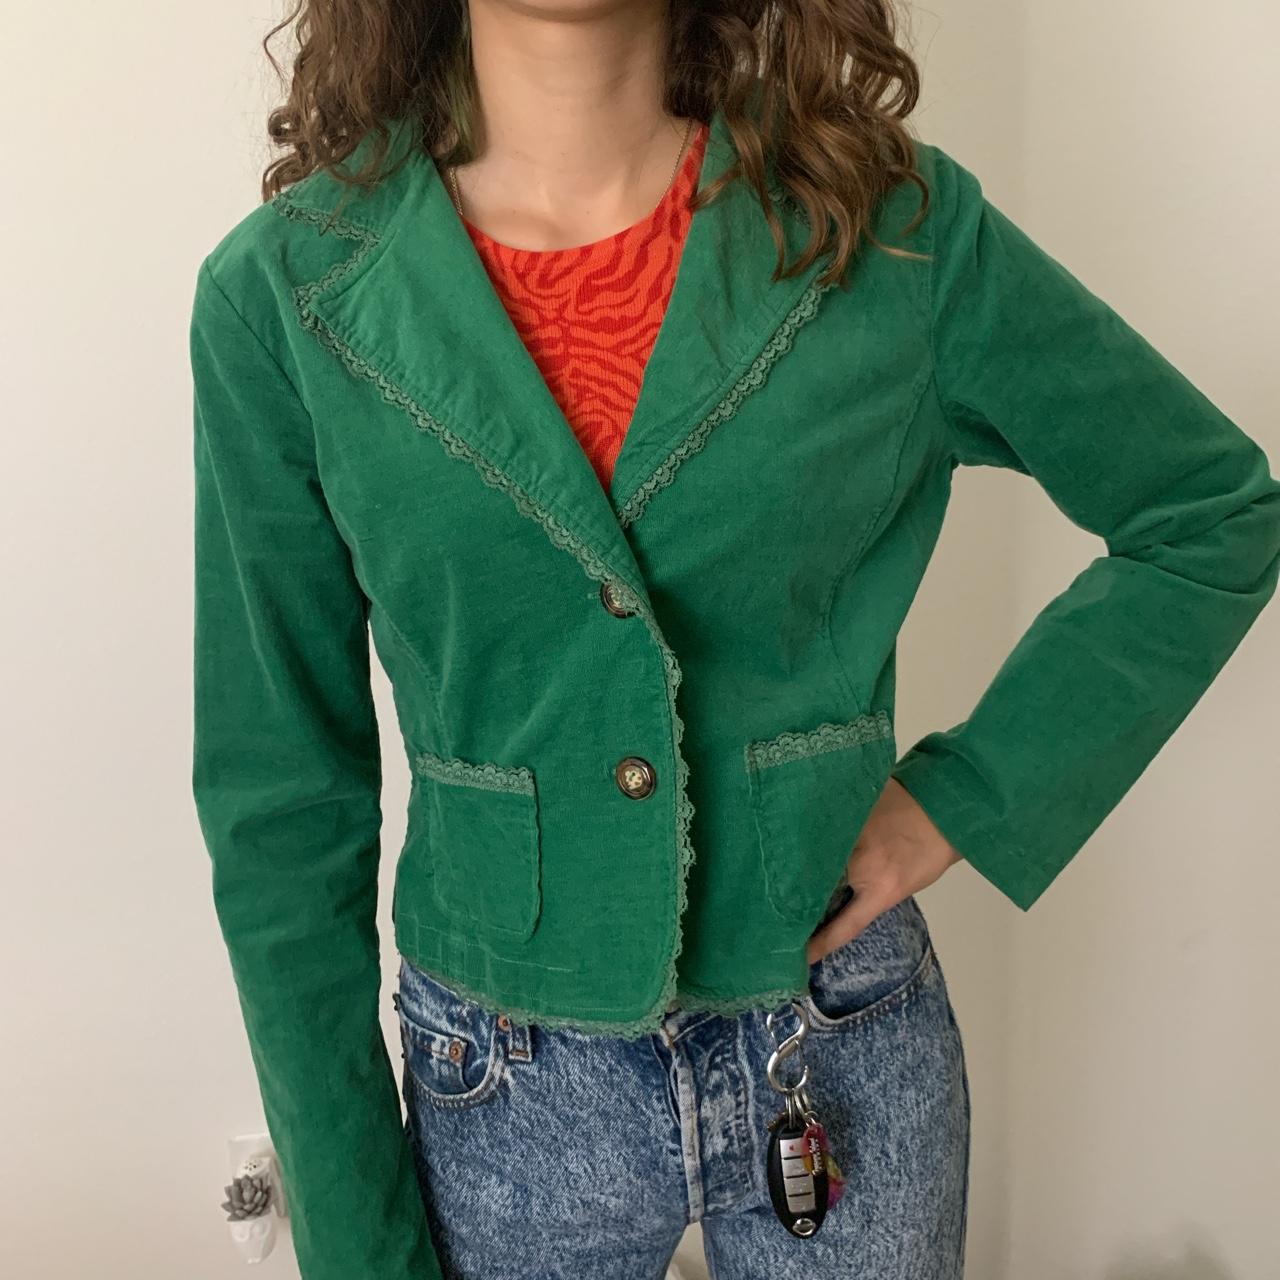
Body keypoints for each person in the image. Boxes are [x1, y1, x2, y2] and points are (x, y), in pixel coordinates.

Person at [188, 2, 1280, 1278]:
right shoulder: (284, 293)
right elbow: (282, 801)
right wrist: (356, 1245)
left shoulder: (891, 231)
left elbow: (1207, 514)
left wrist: (963, 797)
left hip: (840, 1035)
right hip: (500, 1082)